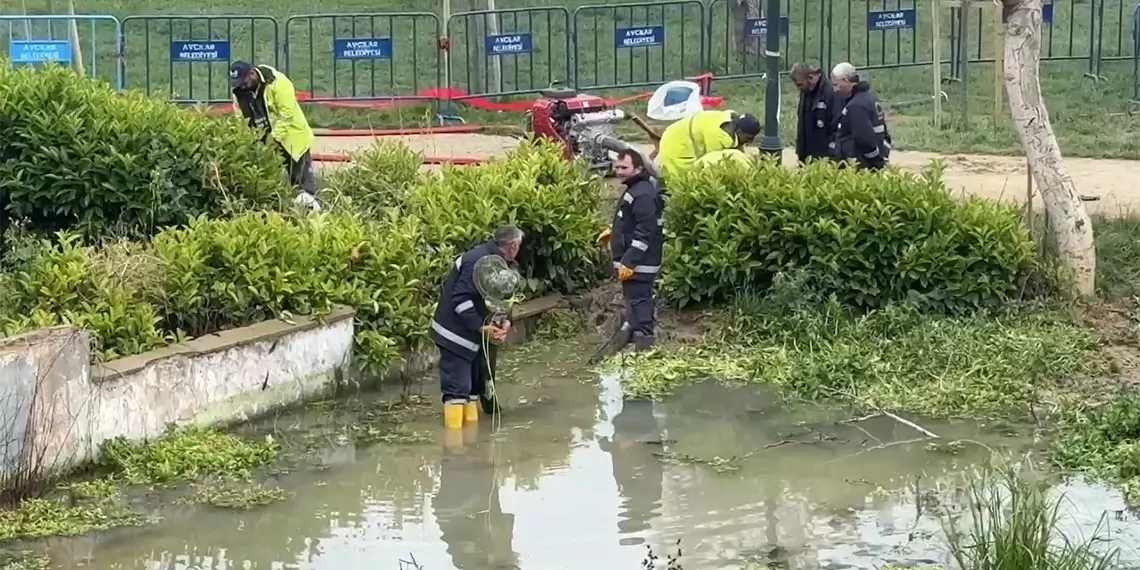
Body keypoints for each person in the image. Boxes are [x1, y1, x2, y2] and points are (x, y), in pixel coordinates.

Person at [430, 226, 523, 429]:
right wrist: (482, 327)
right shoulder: (476, 261)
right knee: (457, 389)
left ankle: (473, 444)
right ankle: (455, 449)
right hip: (455, 334)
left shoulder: (500, 264)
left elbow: (502, 299)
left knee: (472, 387)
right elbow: (461, 300)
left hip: (474, 334)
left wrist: (506, 322)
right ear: (513, 245)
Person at [596, 150, 664, 352]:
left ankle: (644, 349)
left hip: (640, 264)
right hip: (634, 263)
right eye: (617, 167)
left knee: (640, 304)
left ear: (639, 168)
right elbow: (631, 221)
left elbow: (645, 231)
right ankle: (636, 345)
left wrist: (630, 261)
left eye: (624, 167)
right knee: (634, 303)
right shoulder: (635, 189)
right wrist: (614, 230)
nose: (619, 172)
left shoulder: (642, 193)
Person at [229, 60, 318, 199]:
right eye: (238, 83)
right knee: (266, 185)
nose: (242, 86)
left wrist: (274, 139)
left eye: (243, 82)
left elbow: (287, 114)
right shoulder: (239, 92)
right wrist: (246, 142)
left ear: (252, 74)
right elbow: (240, 121)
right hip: (263, 144)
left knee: (302, 186)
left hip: (292, 139)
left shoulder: (278, 82)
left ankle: (311, 211)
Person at [654, 109, 761, 178]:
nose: (750, 142)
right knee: (731, 158)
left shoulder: (729, 118)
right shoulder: (719, 138)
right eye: (749, 138)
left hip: (672, 135)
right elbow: (713, 165)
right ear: (739, 132)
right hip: (677, 153)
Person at [828, 62, 892, 171]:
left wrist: (875, 161)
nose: (835, 89)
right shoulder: (869, 98)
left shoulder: (856, 105)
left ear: (846, 80)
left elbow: (864, 138)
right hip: (870, 160)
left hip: (860, 164)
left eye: (836, 84)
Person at [791, 61, 838, 165]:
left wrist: (831, 154)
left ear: (811, 78)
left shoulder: (830, 93)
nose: (798, 88)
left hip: (824, 158)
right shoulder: (806, 92)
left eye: (799, 84)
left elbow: (836, 126)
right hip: (807, 156)